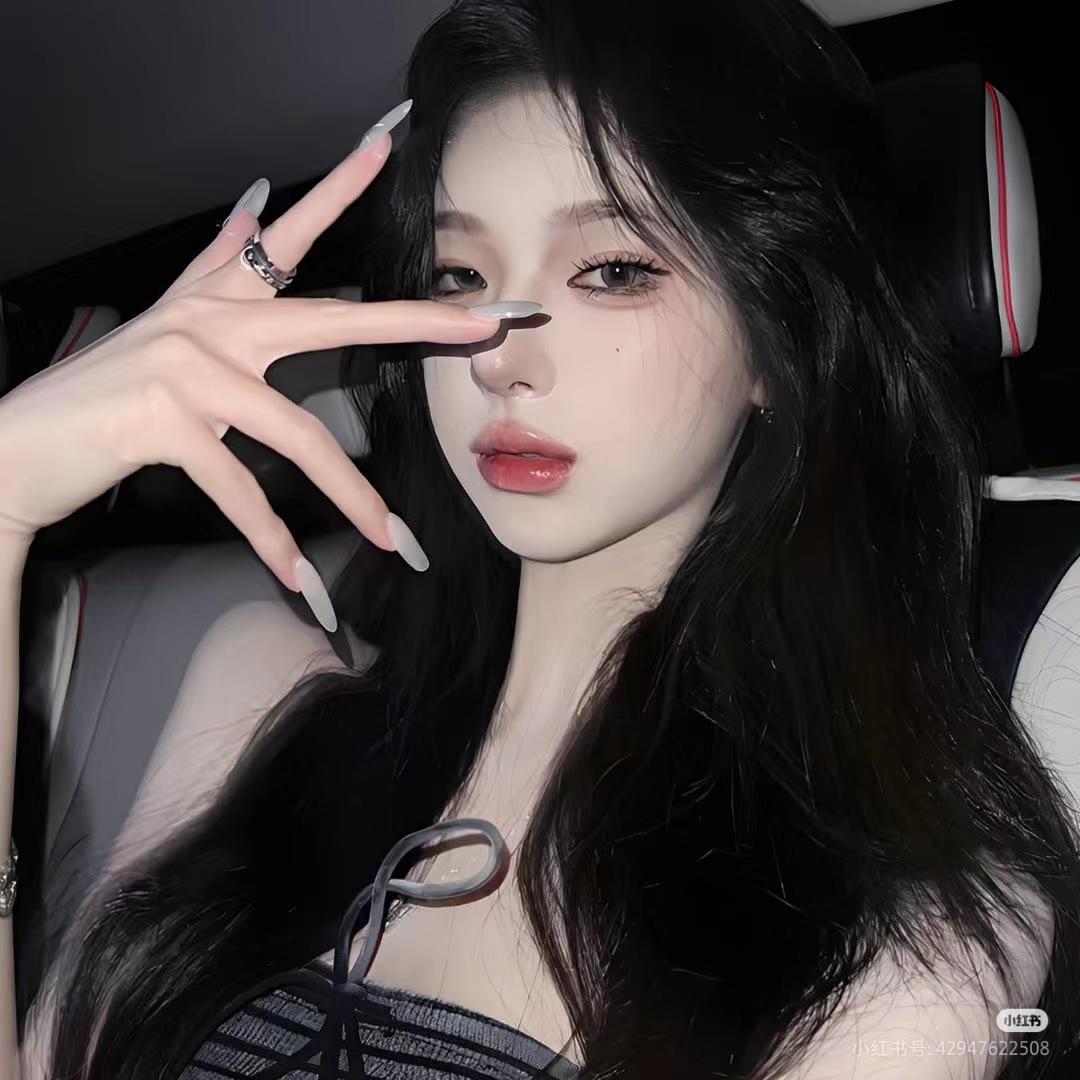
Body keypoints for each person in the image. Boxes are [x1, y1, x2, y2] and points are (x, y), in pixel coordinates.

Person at [1, 0, 1077, 1076]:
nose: (498, 357)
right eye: (459, 277)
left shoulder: (909, 926)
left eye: (612, 270)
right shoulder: (252, 688)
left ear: (777, 338)